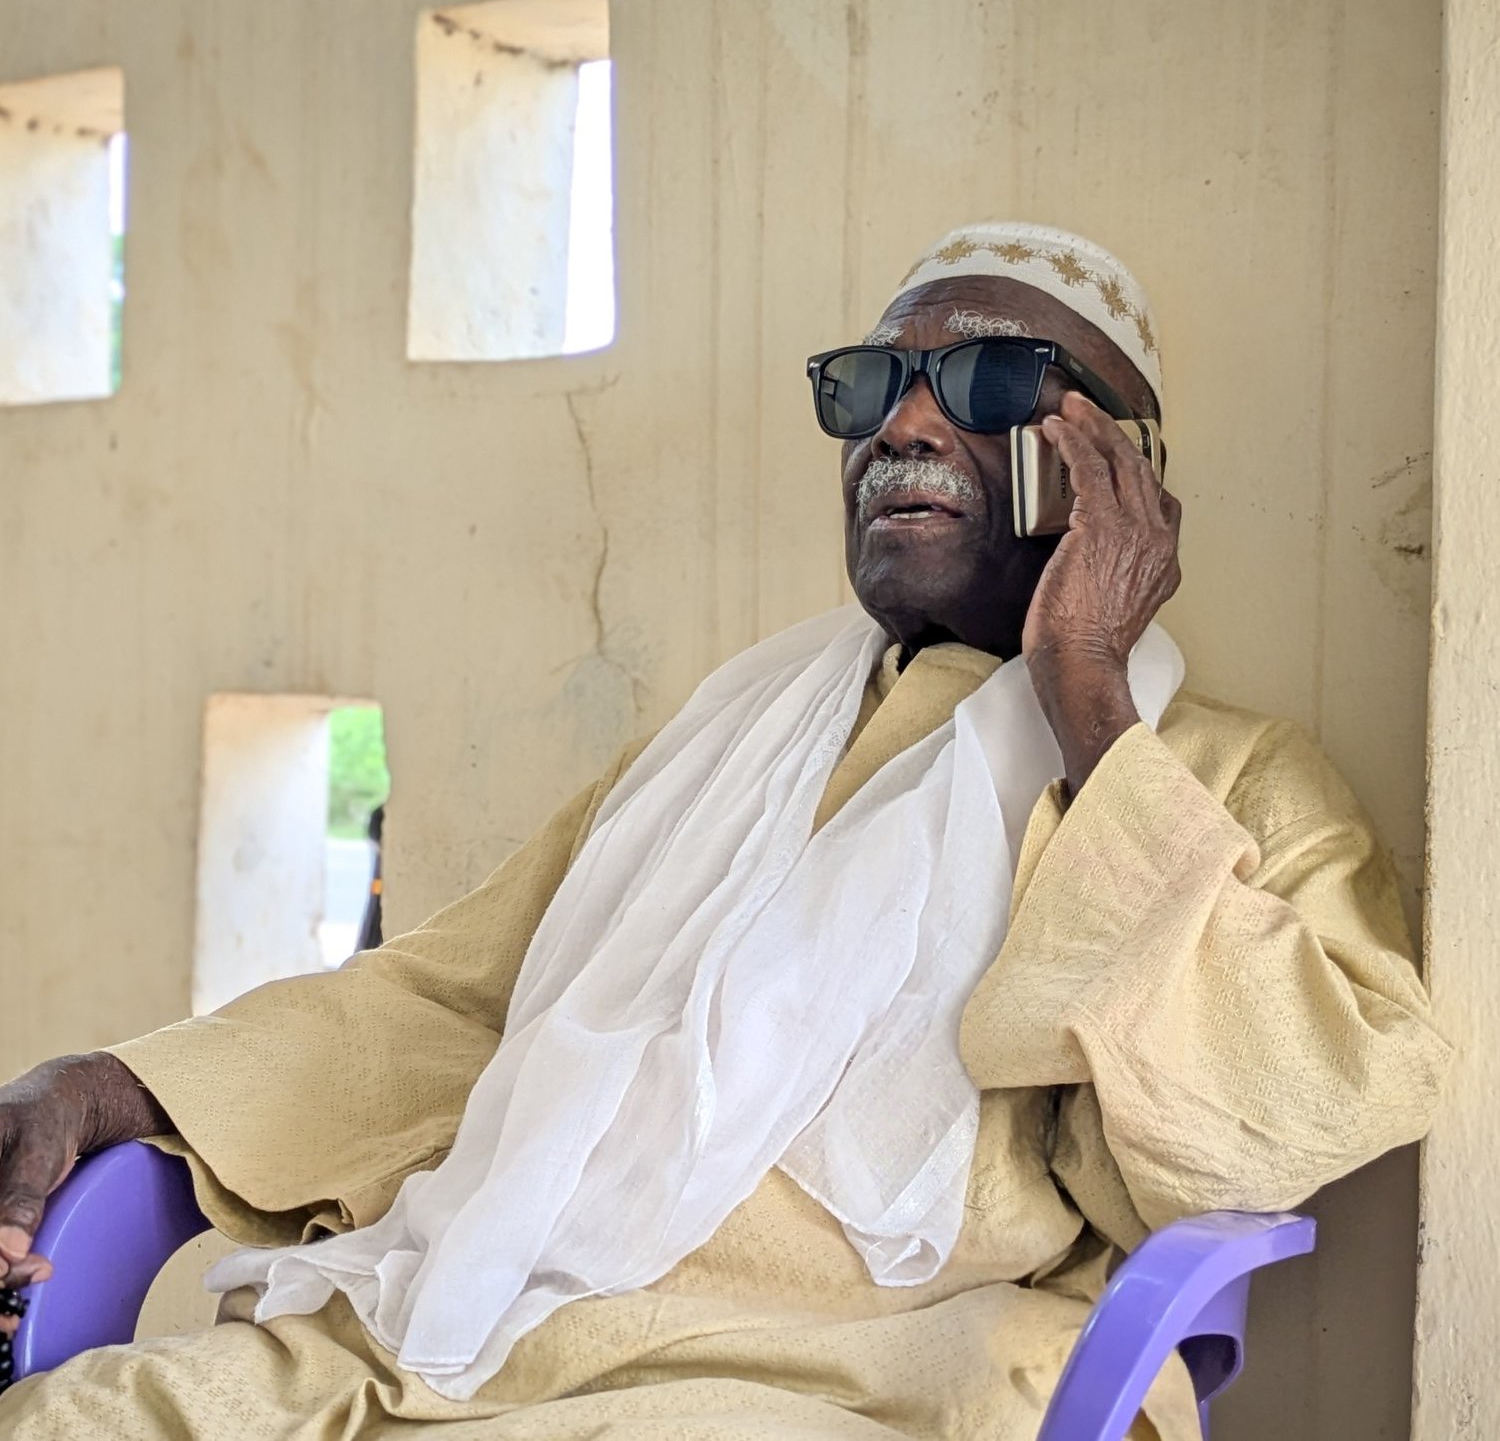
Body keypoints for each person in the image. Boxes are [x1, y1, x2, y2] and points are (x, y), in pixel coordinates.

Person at [0, 224, 1450, 1440]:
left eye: (991, 379)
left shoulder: (1218, 772)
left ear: (1120, 470)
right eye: (873, 383)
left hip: (837, 1377)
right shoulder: (731, 741)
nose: (905, 420)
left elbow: (1275, 1120)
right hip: (469, 1327)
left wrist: (1084, 696)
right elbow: (452, 1006)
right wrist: (108, 1087)